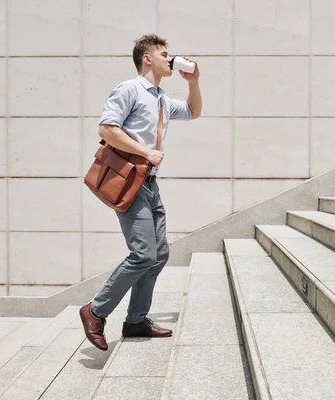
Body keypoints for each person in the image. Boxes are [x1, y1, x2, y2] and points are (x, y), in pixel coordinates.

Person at [79, 34, 202, 351]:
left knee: (159, 255)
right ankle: (95, 311)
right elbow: (106, 128)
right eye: (164, 54)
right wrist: (145, 152)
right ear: (147, 58)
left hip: (149, 183)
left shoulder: (160, 98)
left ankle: (135, 321)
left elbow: (192, 111)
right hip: (130, 180)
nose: (169, 58)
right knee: (144, 254)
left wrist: (193, 82)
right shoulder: (130, 89)